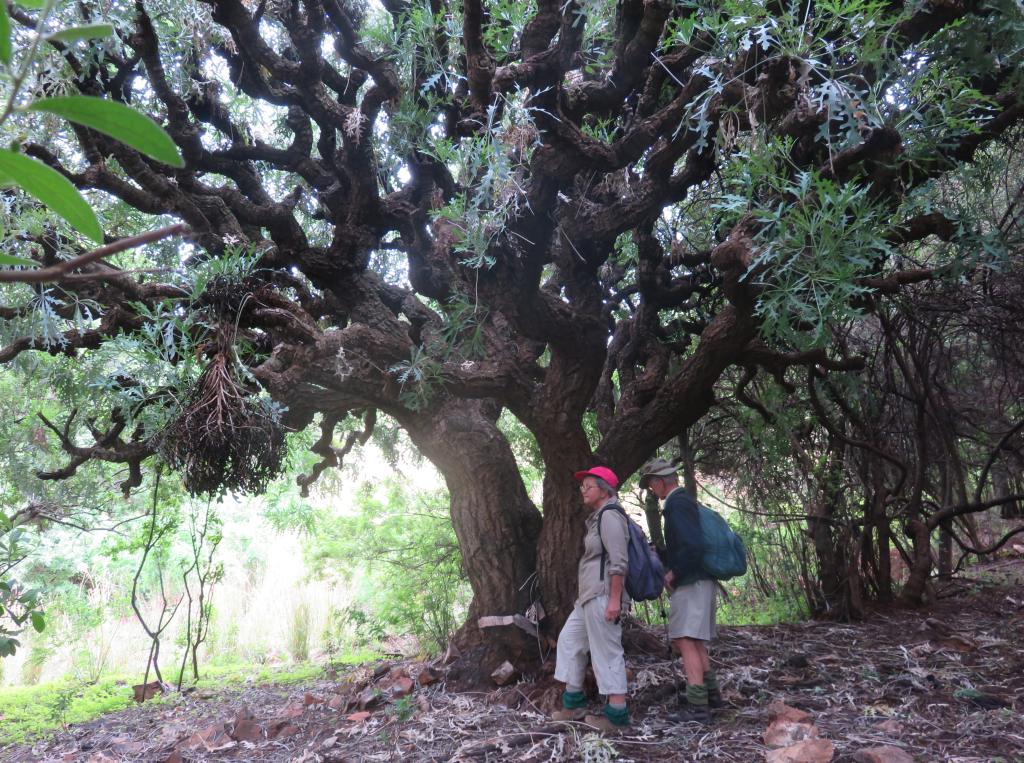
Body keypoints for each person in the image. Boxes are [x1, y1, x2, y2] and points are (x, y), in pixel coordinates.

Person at [639, 457, 723, 725]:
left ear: (659, 482)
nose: (652, 490)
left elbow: (692, 547)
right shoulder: (686, 502)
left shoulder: (676, 505)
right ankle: (712, 697)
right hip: (701, 579)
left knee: (685, 640)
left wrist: (673, 572)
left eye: (652, 485)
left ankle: (698, 708)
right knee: (695, 640)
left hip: (692, 581)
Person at [551, 466, 631, 733]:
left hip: (604, 595)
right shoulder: (597, 517)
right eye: (581, 486)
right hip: (587, 598)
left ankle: (617, 718)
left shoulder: (610, 516)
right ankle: (574, 704)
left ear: (604, 489)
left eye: (588, 486)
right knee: (569, 641)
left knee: (607, 652)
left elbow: (619, 562)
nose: (583, 490)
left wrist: (615, 600)